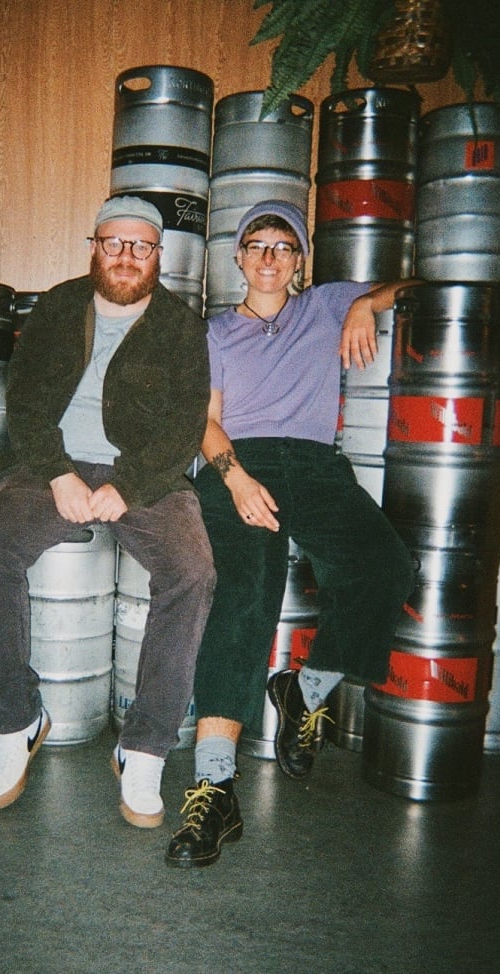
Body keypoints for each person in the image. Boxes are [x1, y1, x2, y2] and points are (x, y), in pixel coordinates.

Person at [165, 200, 416, 868]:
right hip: (236, 461)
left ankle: (304, 691)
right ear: (239, 257)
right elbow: (204, 421)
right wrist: (237, 479)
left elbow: (415, 287)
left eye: (284, 245)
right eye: (258, 244)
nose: (270, 256)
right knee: (243, 595)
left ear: (300, 261)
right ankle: (215, 787)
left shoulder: (327, 305)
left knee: (385, 567)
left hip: (313, 464)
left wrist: (368, 303)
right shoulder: (213, 332)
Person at [0, 195, 215, 829]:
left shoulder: (182, 324)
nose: (127, 257)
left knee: (193, 573)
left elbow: (185, 425)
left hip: (144, 477)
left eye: (142, 246)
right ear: (94, 247)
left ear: (159, 254)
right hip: (53, 465)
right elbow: (21, 403)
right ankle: (16, 722)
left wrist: (128, 485)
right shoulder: (57, 305)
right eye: (114, 243)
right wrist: (57, 473)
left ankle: (145, 745)